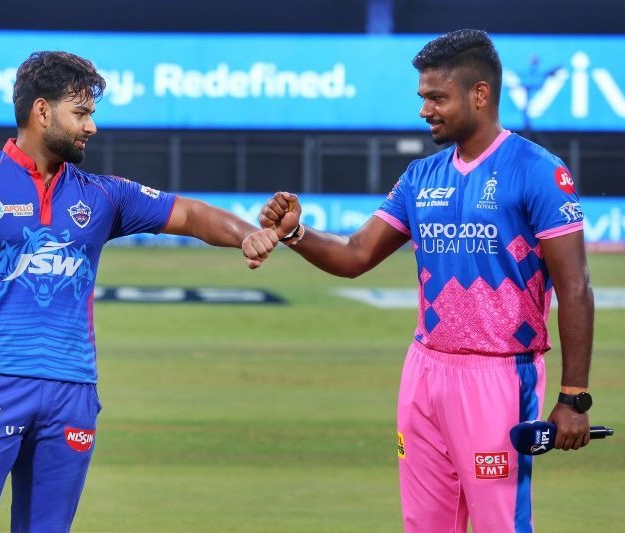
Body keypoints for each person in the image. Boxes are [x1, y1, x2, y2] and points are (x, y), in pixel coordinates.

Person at [0, 51, 278, 532]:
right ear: (41, 111)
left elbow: (189, 214)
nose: (92, 128)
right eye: (81, 113)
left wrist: (245, 234)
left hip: (73, 392)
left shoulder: (101, 194)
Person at [249, 29, 594, 532]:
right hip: (424, 371)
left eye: (437, 98)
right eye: (423, 98)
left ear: (479, 94)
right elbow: (355, 254)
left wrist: (574, 397)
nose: (425, 110)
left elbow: (576, 288)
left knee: (501, 524)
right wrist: (295, 233)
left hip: (497, 376)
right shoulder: (420, 176)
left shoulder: (539, 171)